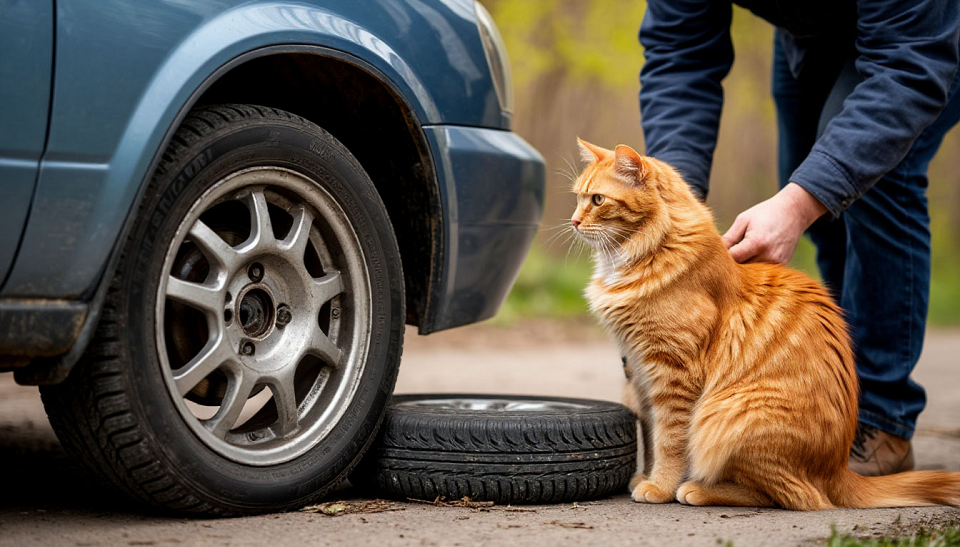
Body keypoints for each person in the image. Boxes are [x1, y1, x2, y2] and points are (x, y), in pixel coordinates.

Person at [638, 0, 960, 476]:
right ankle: (834, 413)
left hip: (923, 37)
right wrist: (670, 205)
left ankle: (883, 418)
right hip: (809, 35)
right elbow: (678, 52)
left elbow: (911, 61)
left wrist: (799, 202)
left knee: (873, 173)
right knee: (822, 206)